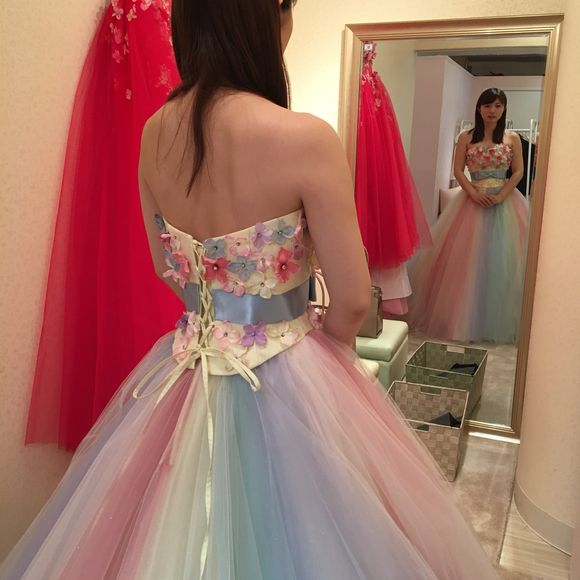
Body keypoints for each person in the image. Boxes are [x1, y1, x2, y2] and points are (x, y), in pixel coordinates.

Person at [1, 2, 498, 578]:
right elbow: (354, 297)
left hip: (185, 366)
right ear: (268, 17)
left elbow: (167, 268)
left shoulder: (154, 133)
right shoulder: (305, 136)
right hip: (285, 361)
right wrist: (321, 362)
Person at [408, 88, 529, 344]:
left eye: (497, 105)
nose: (492, 110)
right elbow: (457, 170)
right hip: (471, 203)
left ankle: (499, 320)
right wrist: (473, 193)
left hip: (505, 203)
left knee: (504, 263)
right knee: (465, 263)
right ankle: (460, 321)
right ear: (478, 108)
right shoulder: (465, 137)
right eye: (487, 105)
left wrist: (502, 194)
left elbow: (518, 171)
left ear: (504, 108)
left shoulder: (512, 138)